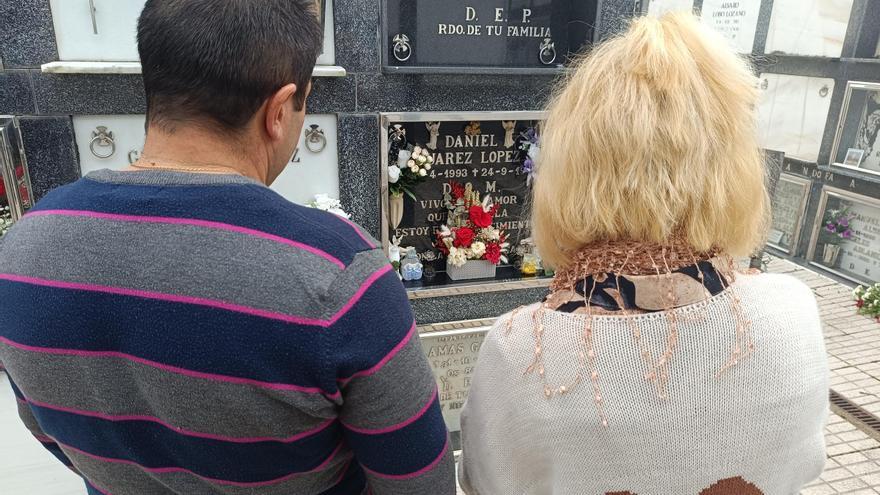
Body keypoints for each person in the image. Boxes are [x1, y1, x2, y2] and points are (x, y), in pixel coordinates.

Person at [0, 1, 454, 494]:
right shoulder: (336, 274)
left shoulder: (22, 251)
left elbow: (48, 427)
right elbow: (419, 483)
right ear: (278, 110)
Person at [458, 13, 828, 495]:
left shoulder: (520, 350)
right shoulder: (792, 313)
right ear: (733, 162)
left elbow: (483, 482)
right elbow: (805, 466)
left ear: (571, 166)